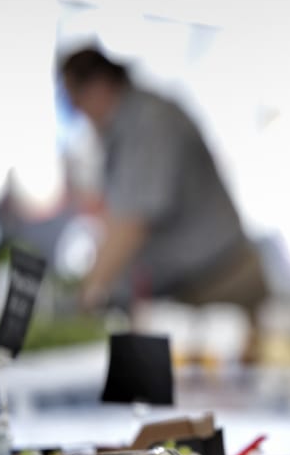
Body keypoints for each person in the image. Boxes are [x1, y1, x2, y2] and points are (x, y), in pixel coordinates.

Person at [58, 47, 268, 329]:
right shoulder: (128, 127)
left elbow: (130, 223)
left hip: (221, 285)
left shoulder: (147, 122)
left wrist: (85, 301)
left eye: (78, 103)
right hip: (196, 291)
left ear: (99, 86)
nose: (81, 115)